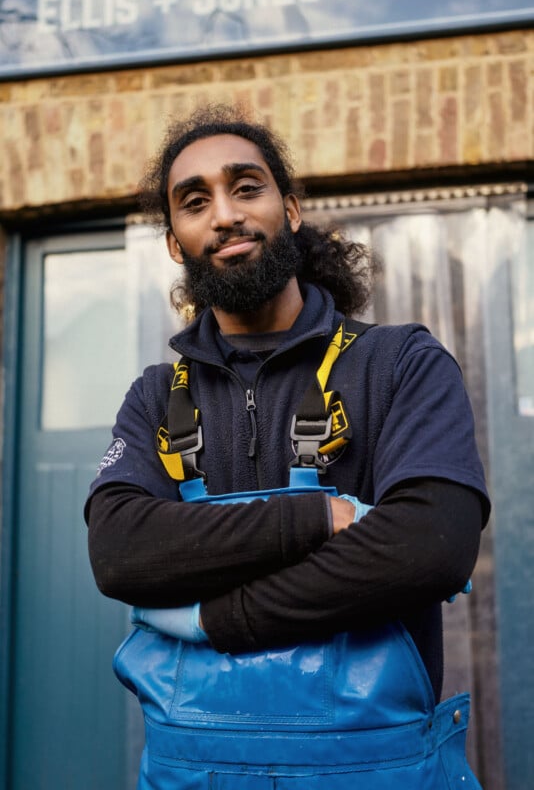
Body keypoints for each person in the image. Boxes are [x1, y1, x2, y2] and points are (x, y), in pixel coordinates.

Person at [85, 104, 490, 789]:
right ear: (175, 242)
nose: (224, 214)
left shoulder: (400, 364)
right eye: (194, 201)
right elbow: (122, 552)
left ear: (292, 211)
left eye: (247, 187)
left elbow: (430, 545)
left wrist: (220, 617)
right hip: (196, 773)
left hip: (374, 770)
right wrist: (315, 518)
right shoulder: (155, 398)